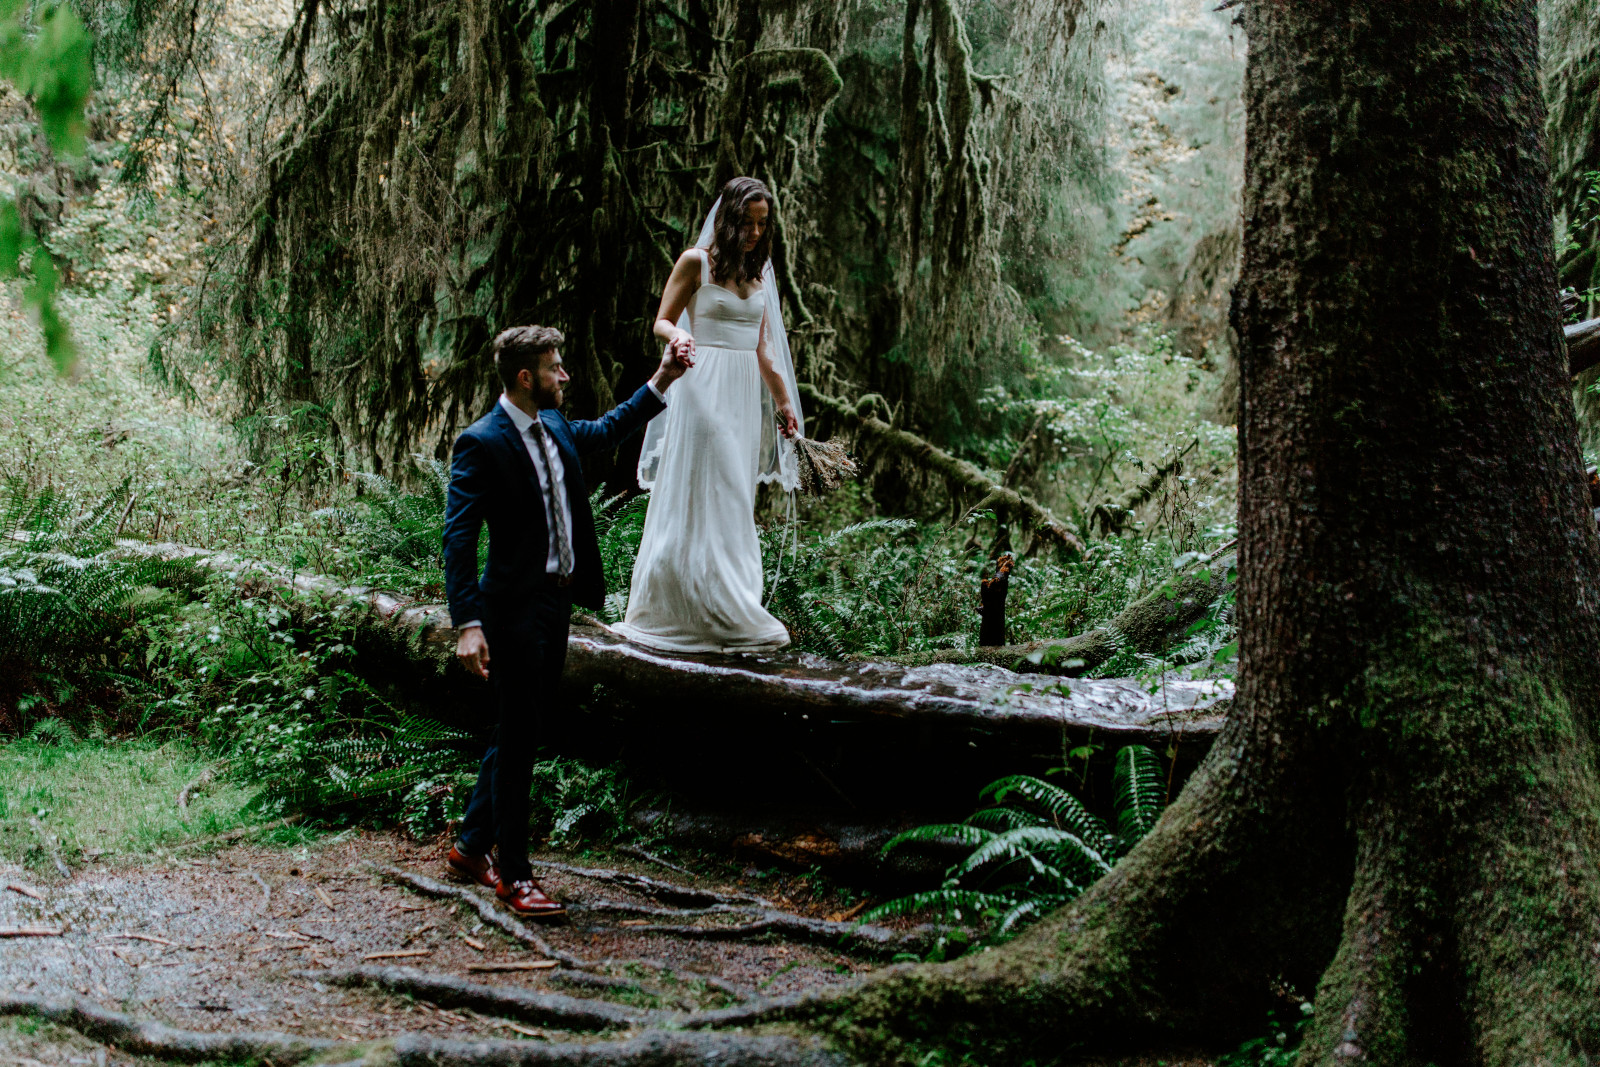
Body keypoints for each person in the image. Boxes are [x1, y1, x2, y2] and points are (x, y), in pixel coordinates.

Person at [441, 325, 689, 917]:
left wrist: (663, 379)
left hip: (557, 605)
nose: (566, 376)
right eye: (556, 367)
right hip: (513, 610)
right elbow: (458, 537)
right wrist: (468, 623)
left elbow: (606, 430)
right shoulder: (482, 442)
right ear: (526, 378)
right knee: (521, 737)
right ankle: (515, 877)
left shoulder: (554, 427)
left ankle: (472, 846)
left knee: (519, 726)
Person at [611, 177, 804, 653]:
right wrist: (676, 337)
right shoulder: (695, 261)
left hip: (741, 390)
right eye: (747, 222)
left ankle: (721, 600)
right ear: (729, 218)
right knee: (707, 478)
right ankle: (690, 603)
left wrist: (783, 401)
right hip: (700, 381)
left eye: (763, 223)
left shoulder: (760, 273)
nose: (756, 232)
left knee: (732, 491)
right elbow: (661, 318)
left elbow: (763, 350)